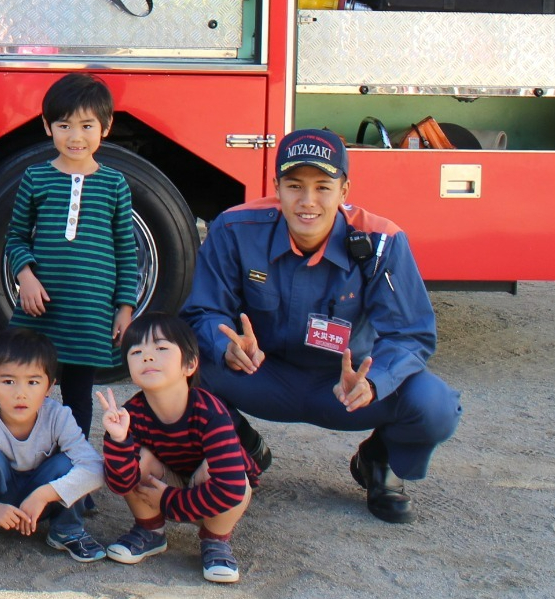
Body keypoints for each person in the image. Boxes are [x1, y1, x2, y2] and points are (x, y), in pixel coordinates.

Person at [181, 129, 461, 523]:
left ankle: (379, 461)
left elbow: (410, 334)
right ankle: (238, 446)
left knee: (435, 405)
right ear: (276, 187)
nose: (307, 201)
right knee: (173, 367)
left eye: (323, 186)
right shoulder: (234, 230)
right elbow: (201, 312)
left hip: (345, 386)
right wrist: (224, 344)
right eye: (294, 185)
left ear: (344, 190)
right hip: (262, 376)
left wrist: (375, 380)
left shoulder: (381, 241)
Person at [5, 73, 140, 439]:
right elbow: (15, 237)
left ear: (106, 127)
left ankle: (73, 472)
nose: (75, 136)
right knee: (31, 391)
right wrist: (26, 276)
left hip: (89, 315)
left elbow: (127, 253)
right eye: (64, 125)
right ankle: (30, 459)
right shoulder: (35, 178)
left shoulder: (115, 184)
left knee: (78, 398)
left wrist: (124, 309)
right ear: (47, 127)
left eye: (86, 125)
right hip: (42, 312)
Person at [101, 313, 255, 584]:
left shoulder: (210, 412)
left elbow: (231, 487)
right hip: (168, 481)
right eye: (137, 352)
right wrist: (118, 440)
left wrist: (169, 502)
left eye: (161, 348)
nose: (147, 357)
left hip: (216, 494)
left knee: (226, 475)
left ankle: (215, 539)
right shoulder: (129, 414)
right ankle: (150, 531)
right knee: (139, 459)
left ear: (190, 364)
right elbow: (119, 483)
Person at [0, 327, 105, 565]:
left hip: (42, 502)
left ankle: (67, 530)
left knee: (67, 462)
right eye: (8, 381)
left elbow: (95, 468)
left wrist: (43, 495)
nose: (21, 393)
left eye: (33, 382)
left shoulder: (59, 416)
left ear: (49, 387)